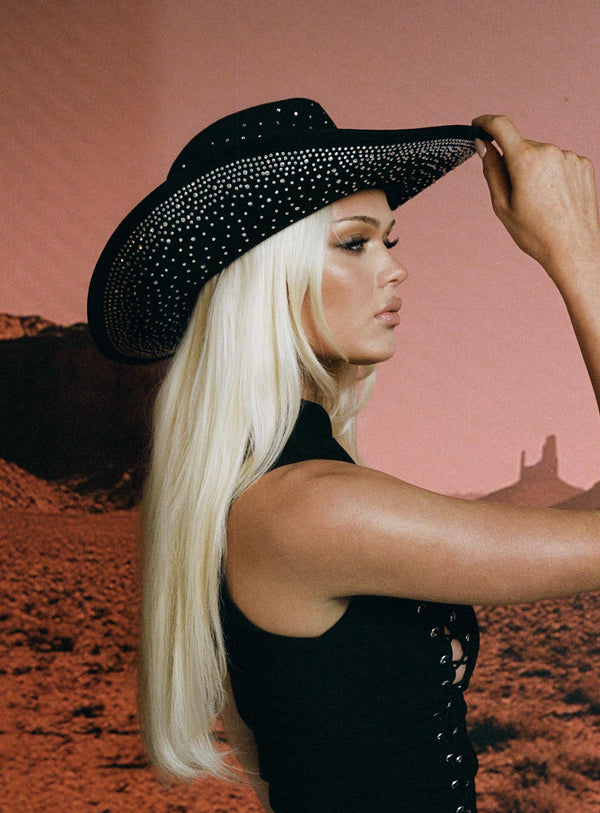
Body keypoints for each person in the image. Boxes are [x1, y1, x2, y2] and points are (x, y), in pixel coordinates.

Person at [88, 98, 600, 813]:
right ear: (264, 276)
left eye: (390, 240)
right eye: (355, 243)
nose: (396, 270)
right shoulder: (309, 507)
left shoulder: (279, 490)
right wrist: (577, 251)